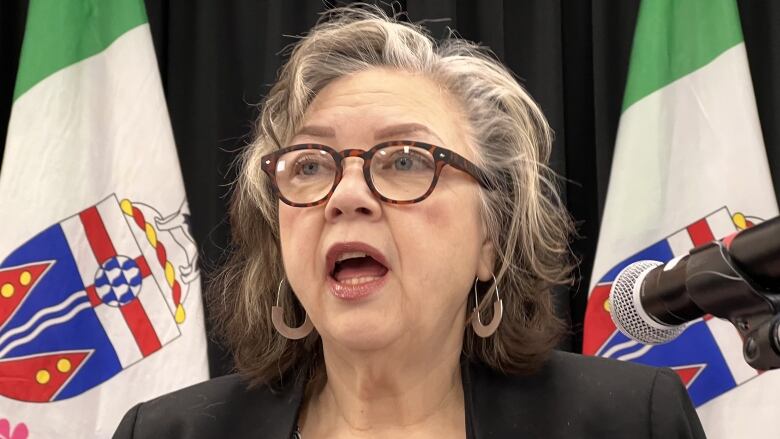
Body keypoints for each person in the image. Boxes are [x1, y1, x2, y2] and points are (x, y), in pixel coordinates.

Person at [114, 6, 705, 438]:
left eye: (404, 161)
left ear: (491, 240)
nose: (346, 195)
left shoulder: (627, 423)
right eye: (312, 165)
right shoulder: (169, 433)